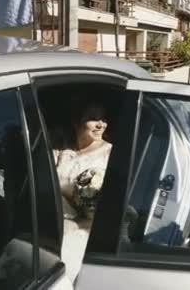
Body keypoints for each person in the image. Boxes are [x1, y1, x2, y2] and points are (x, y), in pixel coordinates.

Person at [53, 99, 112, 284]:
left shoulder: (110, 153)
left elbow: (110, 205)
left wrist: (77, 224)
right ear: (75, 121)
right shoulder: (61, 148)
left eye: (103, 118)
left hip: (84, 226)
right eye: (92, 118)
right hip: (50, 217)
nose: (100, 124)